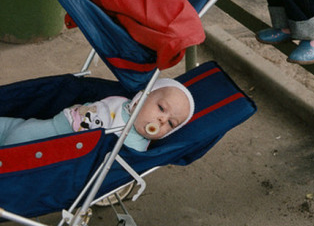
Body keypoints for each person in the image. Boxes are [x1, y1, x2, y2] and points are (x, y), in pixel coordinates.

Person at [0, 78, 194, 151]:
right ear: (142, 98)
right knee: (15, 127)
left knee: (18, 139)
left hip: (60, 142)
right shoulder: (123, 103)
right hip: (58, 124)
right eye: (161, 108)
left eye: (170, 123)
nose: (162, 119)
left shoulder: (134, 145)